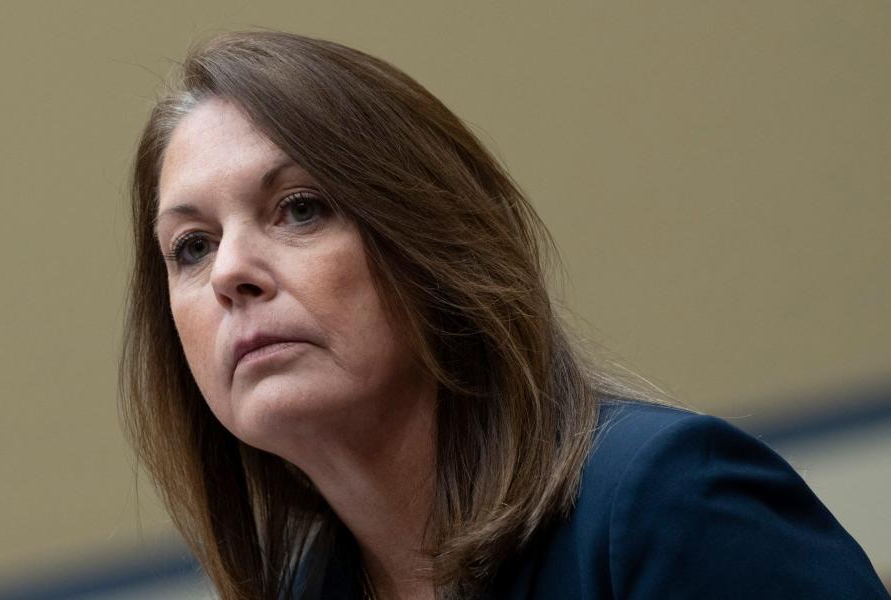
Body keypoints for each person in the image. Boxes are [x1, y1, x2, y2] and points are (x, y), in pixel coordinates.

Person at [120, 31, 889, 600]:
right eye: (191, 247)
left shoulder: (667, 505)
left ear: (431, 244)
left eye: (298, 208)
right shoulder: (305, 590)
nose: (230, 273)